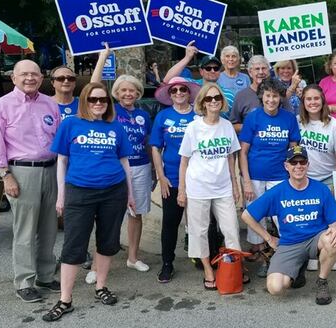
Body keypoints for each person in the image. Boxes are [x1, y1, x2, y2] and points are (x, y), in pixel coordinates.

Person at [43, 82, 135, 321]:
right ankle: (65, 299)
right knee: (74, 245)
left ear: (108, 103)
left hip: (113, 191)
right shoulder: (70, 124)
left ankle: (101, 287)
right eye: (93, 99)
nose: (98, 104)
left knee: (107, 242)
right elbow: (61, 161)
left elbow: (125, 163)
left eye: (103, 100)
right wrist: (61, 195)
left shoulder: (115, 126)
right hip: (79, 191)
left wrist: (131, 194)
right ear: (84, 100)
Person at [0, 59, 61, 302]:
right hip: (21, 172)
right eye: (24, 74)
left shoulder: (50, 103)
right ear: (14, 78)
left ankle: (45, 275)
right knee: (25, 230)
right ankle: (24, 281)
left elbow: (59, 139)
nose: (30, 78)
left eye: (35, 74)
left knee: (49, 228)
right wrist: (5, 175)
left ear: (41, 78)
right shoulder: (2, 106)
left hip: (51, 169)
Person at [241, 146, 336, 305]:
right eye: (293, 162)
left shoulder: (321, 189)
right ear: (286, 166)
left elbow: (335, 220)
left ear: (308, 165)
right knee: (276, 288)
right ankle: (298, 270)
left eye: (302, 162)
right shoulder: (278, 191)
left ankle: (322, 281)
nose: (298, 166)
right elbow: (247, 215)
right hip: (290, 243)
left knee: (332, 239)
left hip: (316, 239)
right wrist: (268, 238)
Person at [178, 83, 244, 288]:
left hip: (223, 186)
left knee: (231, 229)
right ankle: (207, 269)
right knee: (199, 231)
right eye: (209, 98)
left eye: (217, 98)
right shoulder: (194, 127)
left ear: (222, 101)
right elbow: (184, 160)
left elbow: (231, 158)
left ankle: (234, 268)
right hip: (198, 187)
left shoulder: (226, 126)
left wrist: (235, 186)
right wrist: (182, 190)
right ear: (202, 103)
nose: (213, 101)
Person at [92, 47, 152, 273]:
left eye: (133, 90)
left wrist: (155, 172)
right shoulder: (109, 110)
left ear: (138, 93)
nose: (128, 93)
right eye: (123, 90)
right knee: (107, 216)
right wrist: (102, 58)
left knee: (136, 214)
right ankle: (97, 267)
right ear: (116, 93)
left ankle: (133, 257)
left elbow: (147, 142)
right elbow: (94, 87)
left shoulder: (144, 114)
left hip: (141, 167)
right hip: (114, 168)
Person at [239, 78, 300, 277]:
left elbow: (294, 148)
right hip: (255, 176)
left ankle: (286, 256)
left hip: (279, 175)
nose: (271, 100)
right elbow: (243, 152)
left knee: (282, 217)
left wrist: (295, 171)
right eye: (268, 96)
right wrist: (246, 181)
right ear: (261, 97)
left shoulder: (289, 118)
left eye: (275, 96)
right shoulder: (253, 118)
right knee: (257, 216)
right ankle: (265, 257)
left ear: (280, 98)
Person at [150, 76, 199, 283]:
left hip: (198, 178)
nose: (178, 93)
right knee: (170, 222)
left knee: (202, 222)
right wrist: (160, 177)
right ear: (169, 95)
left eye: (183, 89)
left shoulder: (199, 115)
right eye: (174, 90)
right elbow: (155, 147)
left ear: (189, 93)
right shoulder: (163, 117)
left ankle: (204, 256)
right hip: (171, 177)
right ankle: (167, 263)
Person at [298, 85, 336, 271]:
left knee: (330, 219)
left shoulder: (334, 125)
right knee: (309, 218)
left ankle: (331, 254)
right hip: (306, 179)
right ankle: (312, 254)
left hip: (328, 177)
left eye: (316, 98)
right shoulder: (298, 122)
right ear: (303, 102)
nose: (313, 102)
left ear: (323, 100)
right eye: (308, 99)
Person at [162, 42, 236, 117]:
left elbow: (233, 120)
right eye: (208, 68)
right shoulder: (190, 86)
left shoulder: (229, 95)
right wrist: (187, 58)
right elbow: (168, 80)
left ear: (219, 71)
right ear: (201, 71)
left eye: (216, 68)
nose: (212, 71)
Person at [230, 55, 293, 132]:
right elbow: (232, 126)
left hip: (278, 140)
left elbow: (291, 119)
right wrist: (251, 126)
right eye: (257, 69)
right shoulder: (241, 96)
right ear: (250, 72)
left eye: (264, 68)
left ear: (269, 71)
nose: (261, 72)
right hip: (251, 142)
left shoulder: (279, 92)